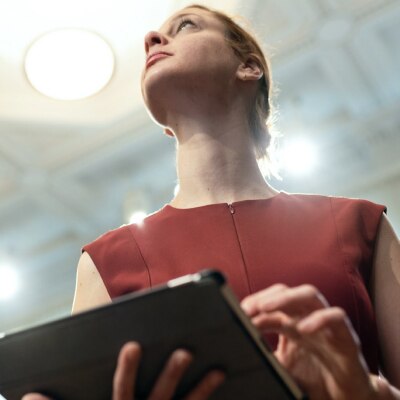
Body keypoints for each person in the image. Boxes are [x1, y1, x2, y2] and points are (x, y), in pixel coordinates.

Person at [23, 4, 400, 400]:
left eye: (185, 26)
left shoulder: (361, 227)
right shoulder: (105, 262)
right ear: (166, 129)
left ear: (249, 66)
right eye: (155, 35)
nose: (151, 39)